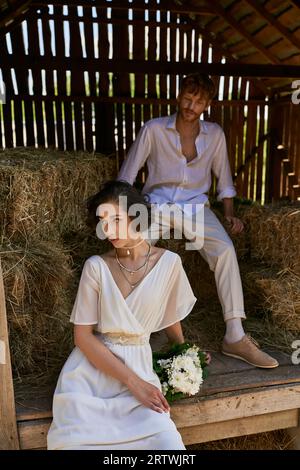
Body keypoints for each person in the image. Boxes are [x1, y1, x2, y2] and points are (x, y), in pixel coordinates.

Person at [117, 73, 278, 369]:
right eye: (188, 98)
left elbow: (225, 179)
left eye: (199, 101)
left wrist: (228, 214)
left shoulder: (214, 134)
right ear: (179, 96)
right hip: (157, 205)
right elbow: (127, 175)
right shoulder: (153, 129)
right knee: (131, 253)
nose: (191, 105)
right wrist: (123, 215)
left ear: (207, 104)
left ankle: (235, 334)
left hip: (196, 208)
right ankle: (126, 333)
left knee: (226, 251)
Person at [47, 180, 207, 450]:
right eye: (103, 221)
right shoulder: (96, 267)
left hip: (141, 365)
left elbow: (170, 316)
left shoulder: (169, 264)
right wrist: (135, 383)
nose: (108, 229)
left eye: (117, 219)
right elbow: (83, 338)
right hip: (92, 375)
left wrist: (185, 352)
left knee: (167, 443)